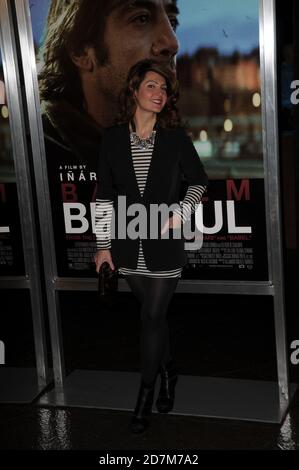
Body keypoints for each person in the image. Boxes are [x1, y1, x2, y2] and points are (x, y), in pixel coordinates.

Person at [94, 59, 208, 433]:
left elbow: (199, 182)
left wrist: (180, 212)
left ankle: (145, 395)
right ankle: (170, 370)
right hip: (127, 245)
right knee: (154, 319)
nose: (160, 94)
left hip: (165, 247)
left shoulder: (175, 139)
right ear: (134, 90)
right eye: (152, 86)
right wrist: (103, 245)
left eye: (164, 89)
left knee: (150, 318)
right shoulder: (111, 139)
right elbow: (104, 196)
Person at [38, 0, 179, 165]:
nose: (172, 43)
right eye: (141, 18)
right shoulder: (37, 160)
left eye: (172, 22)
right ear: (80, 50)